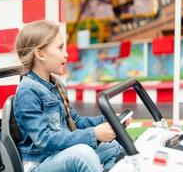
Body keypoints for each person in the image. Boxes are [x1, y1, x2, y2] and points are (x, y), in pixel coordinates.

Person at [14, 20, 125, 172]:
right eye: (60, 48)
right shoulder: (27, 91)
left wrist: (110, 119)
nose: (66, 54)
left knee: (114, 147)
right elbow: (43, 139)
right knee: (83, 154)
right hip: (38, 163)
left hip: (60, 155)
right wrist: (94, 134)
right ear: (40, 54)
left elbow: (76, 122)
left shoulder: (56, 85)